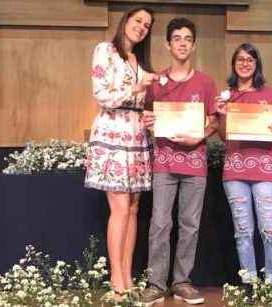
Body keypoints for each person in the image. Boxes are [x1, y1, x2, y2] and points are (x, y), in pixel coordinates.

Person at [141, 17, 219, 305]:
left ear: (194, 44)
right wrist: (148, 122)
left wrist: (200, 134)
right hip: (164, 161)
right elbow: (147, 118)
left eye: (188, 38)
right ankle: (155, 283)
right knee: (159, 223)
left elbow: (214, 121)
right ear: (168, 44)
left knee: (190, 224)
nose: (183, 43)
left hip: (195, 161)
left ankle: (182, 281)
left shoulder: (206, 82)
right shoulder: (156, 82)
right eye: (177, 38)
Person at [84, 6, 155, 297]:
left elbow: (141, 98)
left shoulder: (139, 59)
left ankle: (127, 277)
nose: (142, 27)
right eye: (138, 21)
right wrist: (136, 87)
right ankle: (116, 280)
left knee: (135, 208)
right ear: (125, 20)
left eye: (147, 25)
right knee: (121, 208)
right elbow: (101, 94)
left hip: (137, 135)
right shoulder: (105, 50)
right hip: (112, 132)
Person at [216, 43, 272, 301]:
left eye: (250, 59)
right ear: (234, 64)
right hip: (234, 171)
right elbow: (223, 136)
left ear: (257, 64)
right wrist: (221, 115)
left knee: (270, 229)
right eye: (240, 59)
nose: (245, 63)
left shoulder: (270, 93)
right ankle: (249, 282)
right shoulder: (226, 96)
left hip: (265, 170)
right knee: (243, 230)